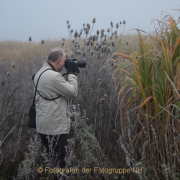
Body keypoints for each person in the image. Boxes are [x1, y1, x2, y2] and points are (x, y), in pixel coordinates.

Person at [33, 47, 79, 170]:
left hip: (44, 125)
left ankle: (45, 176)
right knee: (60, 162)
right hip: (56, 126)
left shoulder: (40, 73)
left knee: (48, 159)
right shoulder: (53, 76)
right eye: (65, 60)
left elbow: (56, 88)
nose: (65, 63)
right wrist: (72, 73)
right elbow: (73, 91)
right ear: (59, 61)